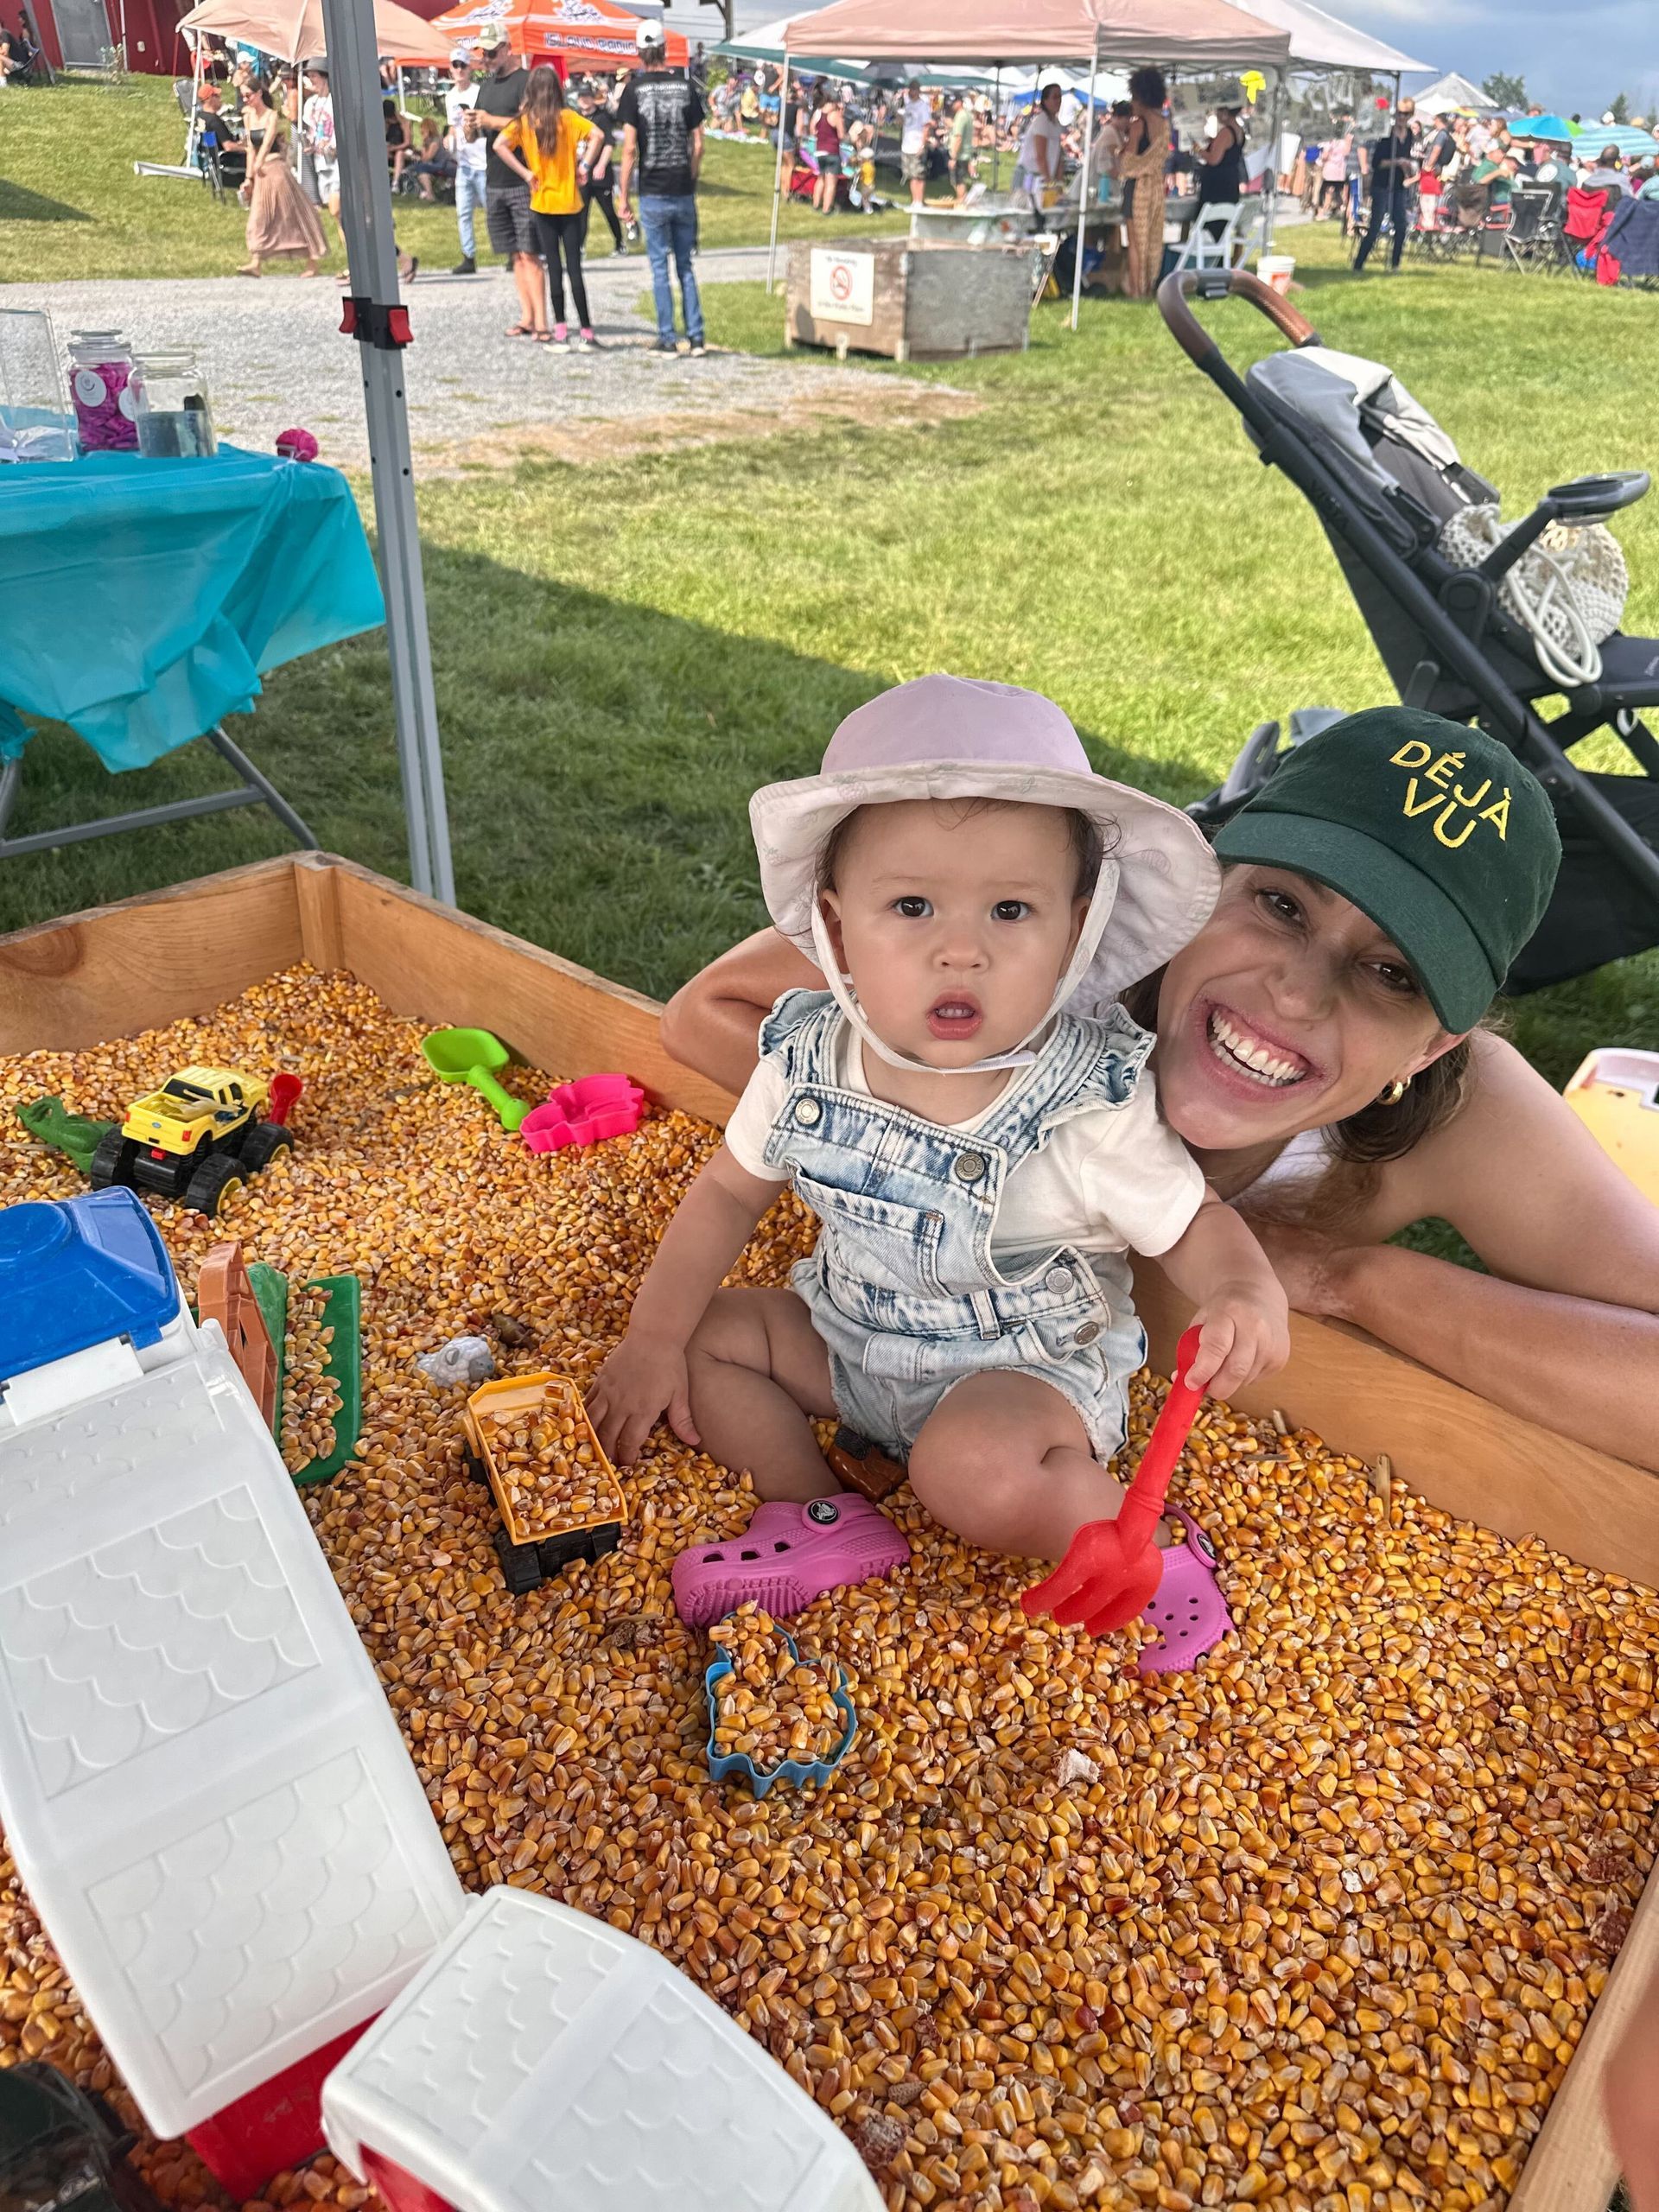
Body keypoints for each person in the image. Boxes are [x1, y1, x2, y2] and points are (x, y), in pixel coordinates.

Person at [662, 707, 1659, 1478]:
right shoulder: (1031, 943)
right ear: (1206, 873)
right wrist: (936, 1133)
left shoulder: (1465, 1104)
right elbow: (708, 1007)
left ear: (1435, 1041)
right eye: (1280, 905)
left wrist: (1354, 1281)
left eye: (1391, 973)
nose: (1296, 994)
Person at [589, 677, 1290, 1639]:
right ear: (836, 930)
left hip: (1021, 1380)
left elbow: (1196, 1223)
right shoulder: (804, 1061)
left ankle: (1144, 1543)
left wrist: (1242, 1292)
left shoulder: (1086, 1102)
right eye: (913, 905)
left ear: (1075, 931)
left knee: (968, 1470)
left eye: (1010, 912)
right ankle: (817, 1510)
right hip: (851, 1339)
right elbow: (724, 1194)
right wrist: (652, 1340)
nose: (961, 952)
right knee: (708, 1334)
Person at [616, 20, 706, 359]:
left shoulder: (634, 91)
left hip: (653, 189)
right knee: (685, 266)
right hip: (682, 187)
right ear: (666, 50)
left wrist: (624, 195)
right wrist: (692, 177)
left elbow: (628, 149)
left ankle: (667, 337)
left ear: (639, 53)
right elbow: (698, 144)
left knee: (659, 267)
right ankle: (696, 337)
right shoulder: (686, 88)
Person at [494, 66, 600, 349]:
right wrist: (585, 166)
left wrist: (527, 173)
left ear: (531, 91)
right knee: (574, 268)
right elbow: (598, 136)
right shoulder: (568, 117)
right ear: (557, 89)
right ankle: (587, 331)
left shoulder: (526, 121)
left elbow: (499, 144)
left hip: (542, 202)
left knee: (553, 267)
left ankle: (562, 331)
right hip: (570, 201)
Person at [471, 26, 538, 339]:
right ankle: (527, 316)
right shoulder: (486, 86)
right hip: (494, 177)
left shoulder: (526, 82)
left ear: (507, 49)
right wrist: (470, 126)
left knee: (530, 252)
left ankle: (541, 320)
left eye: (492, 52)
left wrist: (490, 121)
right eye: (483, 53)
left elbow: (533, 125)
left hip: (523, 177)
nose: (486, 58)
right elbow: (477, 131)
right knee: (514, 254)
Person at [232, 79, 325, 277]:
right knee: (258, 217)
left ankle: (312, 261)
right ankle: (256, 262)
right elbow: (251, 148)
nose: (245, 99)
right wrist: (249, 176)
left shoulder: (271, 116)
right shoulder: (248, 117)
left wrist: (259, 162)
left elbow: (267, 143)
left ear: (258, 94)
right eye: (243, 96)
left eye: (248, 95)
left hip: (276, 170)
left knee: (292, 215)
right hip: (261, 173)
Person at [1119, 65, 1171, 297]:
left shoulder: (1139, 124)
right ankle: (1149, 285)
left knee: (1135, 242)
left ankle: (1137, 291)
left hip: (1138, 188)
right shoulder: (1165, 125)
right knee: (1152, 240)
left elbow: (1128, 162)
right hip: (1156, 190)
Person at [1354, 99, 1418, 271]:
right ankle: (1359, 264)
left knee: (1401, 226)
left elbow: (1407, 159)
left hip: (1398, 185)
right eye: (1398, 113)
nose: (1401, 117)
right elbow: (1377, 163)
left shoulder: (1410, 134)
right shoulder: (1387, 134)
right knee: (1375, 226)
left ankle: (1395, 265)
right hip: (1382, 184)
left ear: (1410, 115)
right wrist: (1397, 162)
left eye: (1405, 114)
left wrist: (1407, 167)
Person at [447, 49, 486, 272]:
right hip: (464, 162)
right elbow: (453, 125)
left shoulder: (478, 92)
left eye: (463, 65)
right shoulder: (450, 96)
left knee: (493, 210)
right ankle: (468, 257)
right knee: (463, 212)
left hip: (483, 159)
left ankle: (511, 252)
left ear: (470, 68)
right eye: (455, 65)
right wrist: (449, 137)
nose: (459, 70)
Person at [575, 81, 623, 255]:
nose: (584, 100)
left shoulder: (602, 118)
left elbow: (609, 144)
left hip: (599, 172)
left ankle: (620, 242)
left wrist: (601, 165)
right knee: (581, 212)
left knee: (608, 210)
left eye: (587, 96)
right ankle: (579, 247)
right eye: (581, 97)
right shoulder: (576, 117)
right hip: (581, 172)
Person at [299, 60, 340, 259]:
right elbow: (311, 131)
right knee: (340, 218)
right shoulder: (311, 104)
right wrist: (307, 142)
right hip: (321, 162)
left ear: (324, 76)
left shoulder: (336, 101)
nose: (311, 80)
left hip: (337, 162)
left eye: (314, 75)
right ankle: (355, 262)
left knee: (336, 210)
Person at [1196, 80, 1247, 209]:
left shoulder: (1226, 132)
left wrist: (1198, 150)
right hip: (1230, 179)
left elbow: (1214, 159)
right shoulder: (1239, 130)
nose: (1217, 114)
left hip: (1218, 184)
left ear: (1225, 112)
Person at [1015, 79, 1064, 205]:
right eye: (1055, 97)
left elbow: (1058, 156)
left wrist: (1059, 183)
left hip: (1042, 177)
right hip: (1030, 177)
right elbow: (1040, 156)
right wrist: (1049, 183)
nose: (1058, 101)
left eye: (1060, 97)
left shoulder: (1056, 123)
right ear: (1045, 101)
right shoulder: (1042, 121)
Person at [899, 77, 931, 206]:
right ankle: (915, 200)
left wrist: (923, 144)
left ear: (918, 91)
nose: (910, 92)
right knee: (911, 174)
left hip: (917, 144)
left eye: (913, 90)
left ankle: (919, 200)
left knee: (919, 174)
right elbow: (904, 122)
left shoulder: (923, 106)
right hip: (906, 144)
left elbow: (926, 126)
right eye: (909, 90)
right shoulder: (908, 105)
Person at [811, 91, 842, 216]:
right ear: (834, 102)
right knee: (831, 183)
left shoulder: (818, 113)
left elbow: (813, 130)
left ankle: (815, 204)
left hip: (819, 151)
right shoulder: (836, 115)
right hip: (832, 151)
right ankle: (826, 209)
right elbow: (841, 135)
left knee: (821, 178)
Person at [1316, 117, 1351, 218]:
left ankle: (1322, 211)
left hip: (1330, 168)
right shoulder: (1346, 139)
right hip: (1341, 169)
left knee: (1325, 190)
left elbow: (1325, 155)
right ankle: (1340, 208)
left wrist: (1322, 159)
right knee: (1340, 190)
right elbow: (1346, 152)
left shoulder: (1330, 140)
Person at [946, 92, 976, 202]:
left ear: (959, 102)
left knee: (958, 181)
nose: (951, 105)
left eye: (953, 103)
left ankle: (961, 202)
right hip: (966, 152)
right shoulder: (968, 114)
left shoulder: (960, 116)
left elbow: (958, 137)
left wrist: (953, 157)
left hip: (960, 154)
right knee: (960, 179)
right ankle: (963, 200)